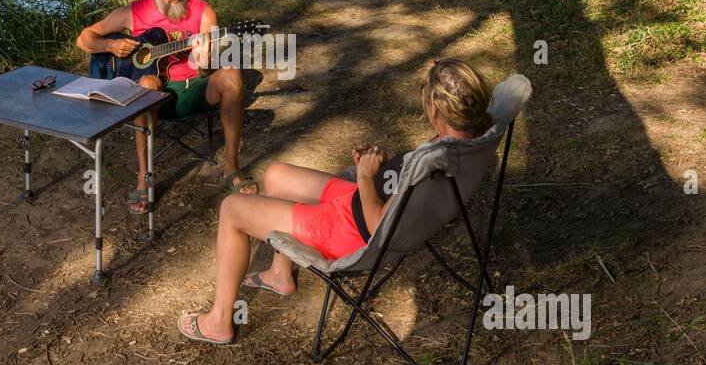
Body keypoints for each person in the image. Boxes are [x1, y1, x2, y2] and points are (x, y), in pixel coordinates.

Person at [177, 58, 494, 345]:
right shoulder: (470, 139)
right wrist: (377, 169)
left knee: (232, 209)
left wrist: (366, 178)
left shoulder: (435, 157)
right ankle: (279, 274)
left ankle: (218, 321)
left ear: (436, 112)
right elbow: (403, 194)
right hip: (359, 202)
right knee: (276, 176)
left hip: (349, 231)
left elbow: (378, 226)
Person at [76, 0, 256, 213]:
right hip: (152, 97)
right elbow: (84, 39)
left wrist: (203, 60)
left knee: (231, 72)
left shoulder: (202, 11)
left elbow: (205, 71)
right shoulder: (134, 12)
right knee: (147, 83)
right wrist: (111, 45)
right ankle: (144, 176)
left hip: (194, 91)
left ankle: (231, 168)